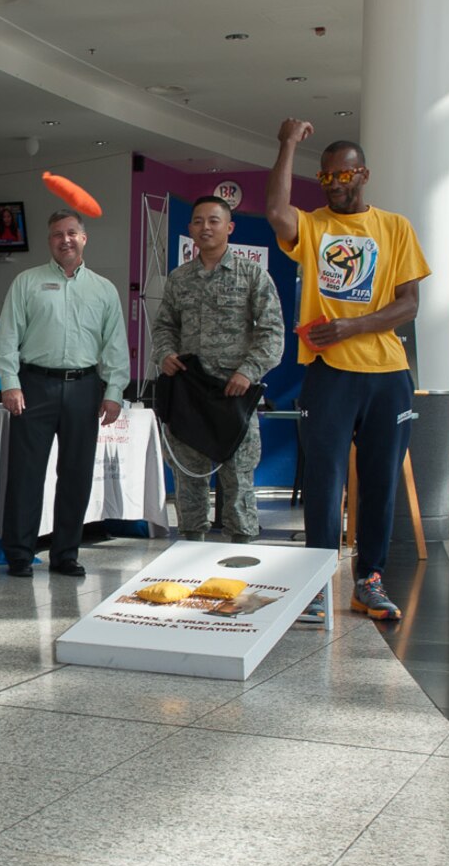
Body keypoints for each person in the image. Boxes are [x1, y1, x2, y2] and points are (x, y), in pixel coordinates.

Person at [265, 118, 429, 623]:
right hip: (330, 375)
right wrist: (288, 142)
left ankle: (369, 581)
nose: (337, 184)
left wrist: (352, 326)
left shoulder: (395, 227)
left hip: (387, 375)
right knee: (324, 479)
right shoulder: (313, 226)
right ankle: (315, 584)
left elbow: (409, 305)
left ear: (364, 175)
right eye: (328, 177)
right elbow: (275, 210)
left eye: (346, 175)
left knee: (380, 480)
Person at [0, 208, 130, 578]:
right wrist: (10, 383)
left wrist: (114, 389)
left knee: (76, 473)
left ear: (84, 238)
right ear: (49, 241)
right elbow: (6, 339)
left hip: (85, 387)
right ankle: (19, 553)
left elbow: (115, 345)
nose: (64, 240)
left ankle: (66, 553)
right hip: (33, 386)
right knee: (26, 473)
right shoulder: (26, 282)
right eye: (56, 234)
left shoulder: (103, 289)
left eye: (71, 233)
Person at [150, 195, 284, 543]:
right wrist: (165, 353)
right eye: (198, 221)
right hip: (189, 393)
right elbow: (164, 326)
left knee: (238, 479)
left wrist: (248, 371)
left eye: (213, 220)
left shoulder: (252, 274)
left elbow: (272, 332)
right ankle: (190, 547)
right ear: (190, 228)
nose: (205, 227)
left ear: (229, 227)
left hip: (232, 394)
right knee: (189, 479)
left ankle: (243, 554)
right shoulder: (180, 279)